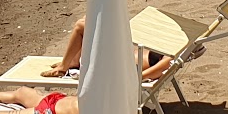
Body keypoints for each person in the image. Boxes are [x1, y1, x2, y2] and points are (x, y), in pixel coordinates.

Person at [42, 16, 179, 83]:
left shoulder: (171, 58)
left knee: (81, 26)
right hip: (119, 56)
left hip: (116, 66)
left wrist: (136, 79)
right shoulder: (170, 48)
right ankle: (71, 62)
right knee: (86, 19)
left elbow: (162, 67)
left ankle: (63, 67)